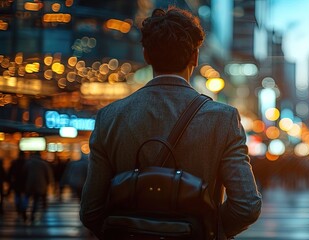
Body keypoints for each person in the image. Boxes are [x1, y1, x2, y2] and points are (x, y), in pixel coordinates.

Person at [79, 7, 261, 240]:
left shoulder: (110, 117)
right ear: (195, 57)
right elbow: (247, 205)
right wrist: (208, 229)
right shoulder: (223, 119)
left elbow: (91, 211)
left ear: (146, 55)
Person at [23, 152, 53, 222]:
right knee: (36, 200)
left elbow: (23, 174)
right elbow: (48, 175)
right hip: (40, 184)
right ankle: (33, 214)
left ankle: (23, 209)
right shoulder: (43, 164)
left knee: (27, 197)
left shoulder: (28, 163)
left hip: (29, 184)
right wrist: (49, 183)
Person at [7, 152, 29, 220]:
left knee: (17, 195)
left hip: (16, 182)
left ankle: (18, 207)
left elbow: (10, 173)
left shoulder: (14, 162)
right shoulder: (27, 163)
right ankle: (24, 209)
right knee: (25, 196)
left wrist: (10, 182)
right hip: (25, 183)